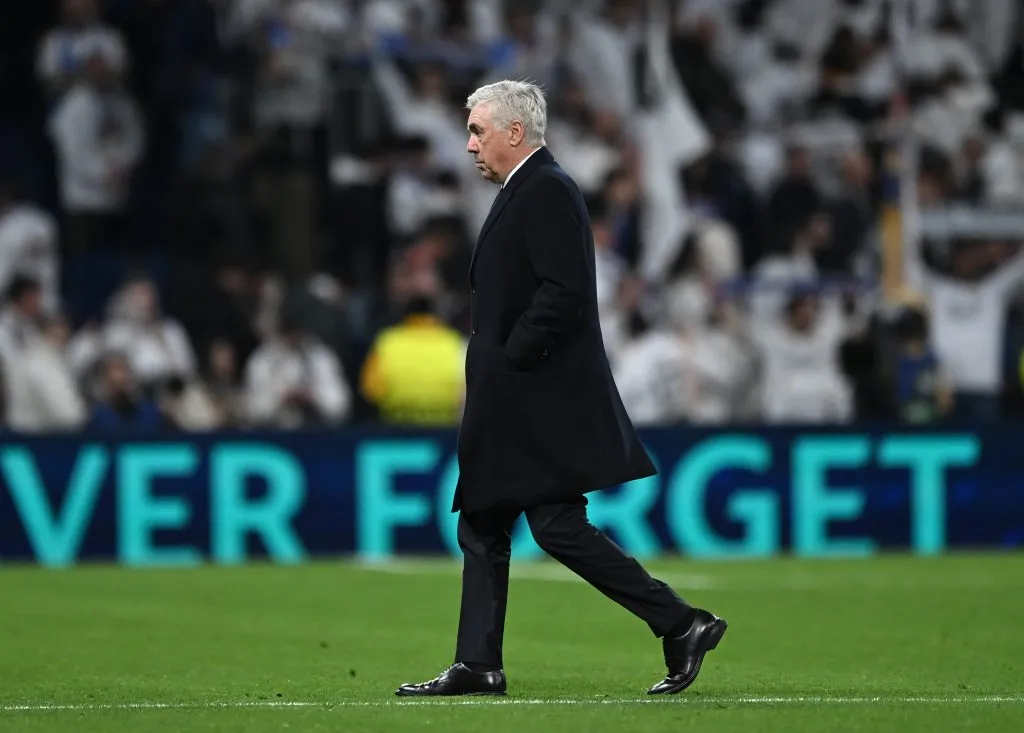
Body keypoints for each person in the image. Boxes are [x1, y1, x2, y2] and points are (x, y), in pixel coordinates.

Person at [395, 81, 727, 698]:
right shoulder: (529, 188)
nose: (468, 145)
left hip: (532, 395)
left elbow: (565, 291)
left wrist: (512, 357)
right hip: (514, 393)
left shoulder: (546, 188)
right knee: (487, 525)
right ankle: (478, 664)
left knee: (551, 525)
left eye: (477, 131)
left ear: (514, 132)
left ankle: (680, 622)